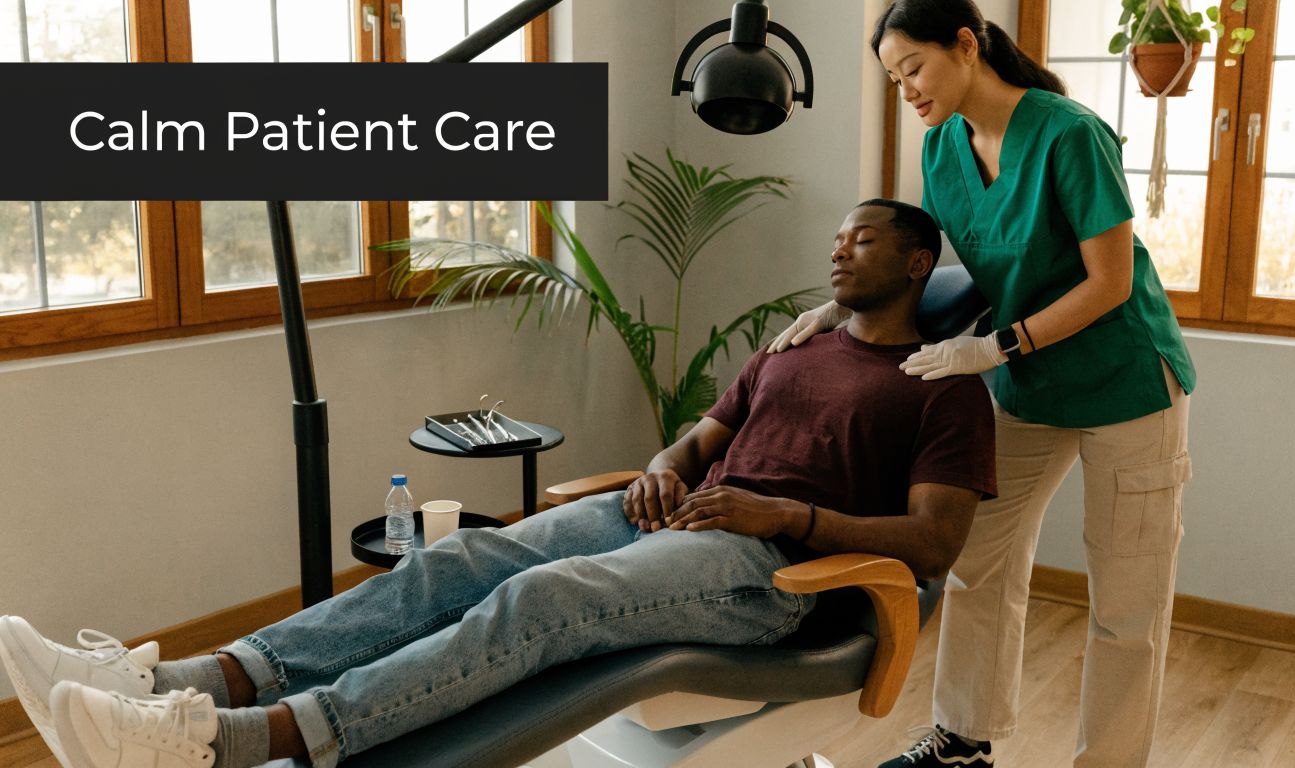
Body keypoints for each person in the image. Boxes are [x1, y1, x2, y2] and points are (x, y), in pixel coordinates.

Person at [0, 200, 997, 768]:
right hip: (675, 517)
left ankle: (239, 741)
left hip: (769, 568)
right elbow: (700, 439)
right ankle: (174, 682)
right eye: (838, 237)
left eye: (861, 239)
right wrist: (657, 471)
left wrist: (786, 514)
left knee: (540, 599)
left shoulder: (940, 389)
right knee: (464, 558)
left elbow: (937, 544)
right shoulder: (790, 347)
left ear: (917, 262)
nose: (837, 247)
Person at [768, 3, 1196, 766]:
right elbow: (935, 272)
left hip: (1127, 382)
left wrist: (999, 346)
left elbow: (1110, 284)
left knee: (1127, 600)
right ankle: (962, 747)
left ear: (966, 46)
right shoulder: (942, 149)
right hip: (1030, 386)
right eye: (894, 79)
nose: (907, 90)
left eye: (914, 69)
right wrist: (841, 307)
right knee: (975, 560)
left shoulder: (1069, 134)